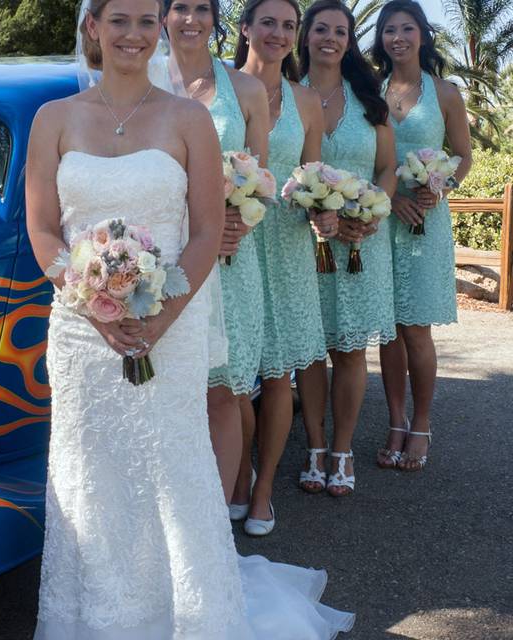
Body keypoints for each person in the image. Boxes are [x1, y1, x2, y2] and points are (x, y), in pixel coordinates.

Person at [26, 0, 354, 636]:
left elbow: (206, 232)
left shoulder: (188, 120)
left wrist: (162, 317)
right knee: (90, 471)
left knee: (170, 466)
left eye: (146, 21)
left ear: (159, 31)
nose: (134, 34)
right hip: (77, 328)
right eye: (119, 19)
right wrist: (89, 303)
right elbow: (42, 229)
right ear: (93, 27)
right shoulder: (53, 119)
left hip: (169, 325)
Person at [233, 0, 336, 535]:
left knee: (276, 377)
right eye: (266, 22)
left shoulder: (307, 102)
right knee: (230, 379)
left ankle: (264, 487)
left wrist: (328, 210)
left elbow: (314, 175)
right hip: (234, 244)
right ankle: (237, 473)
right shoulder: (220, 90)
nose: (277, 33)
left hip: (289, 247)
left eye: (288, 25)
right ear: (245, 28)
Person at [163, 0, 271, 510]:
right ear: (163, 16)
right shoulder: (141, 83)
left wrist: (239, 224)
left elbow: (262, 181)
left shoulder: (245, 90)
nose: (191, 19)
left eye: (201, 8)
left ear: (215, 18)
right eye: (179, 7)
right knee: (167, 390)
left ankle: (215, 520)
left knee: (222, 392)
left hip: (229, 258)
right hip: (161, 257)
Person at [293, 0, 398, 497]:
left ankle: (343, 449)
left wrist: (373, 212)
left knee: (351, 350)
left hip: (360, 244)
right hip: (303, 240)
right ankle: (314, 445)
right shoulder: (290, 94)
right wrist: (314, 212)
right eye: (321, 29)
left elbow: (387, 168)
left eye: (340, 30)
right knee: (312, 351)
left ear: (349, 40)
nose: (330, 38)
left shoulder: (368, 96)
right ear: (306, 37)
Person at [371, 0, 472, 472]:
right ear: (381, 39)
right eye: (389, 30)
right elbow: (365, 158)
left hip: (425, 221)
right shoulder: (368, 91)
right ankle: (394, 421)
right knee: (387, 329)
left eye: (406, 29)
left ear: (422, 35)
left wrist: (441, 185)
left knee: (416, 329)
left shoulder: (445, 92)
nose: (398, 38)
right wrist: (388, 199)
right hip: (380, 215)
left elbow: (464, 155)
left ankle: (422, 424)